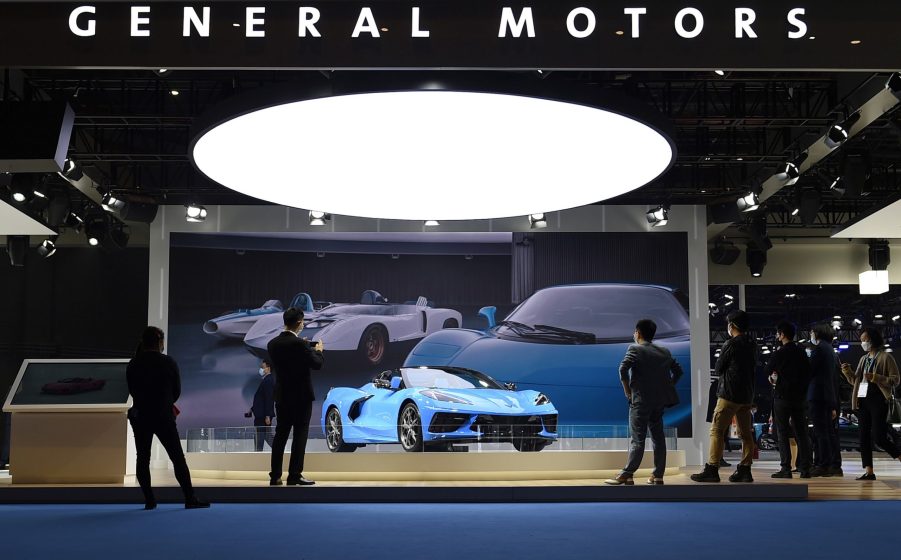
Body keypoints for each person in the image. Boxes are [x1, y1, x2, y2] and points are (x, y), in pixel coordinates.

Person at [126, 326, 209, 509]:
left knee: (143, 458)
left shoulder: (133, 363)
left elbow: (132, 390)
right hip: (163, 415)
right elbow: (176, 391)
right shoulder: (168, 362)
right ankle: (189, 498)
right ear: (160, 342)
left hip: (141, 416)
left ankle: (149, 500)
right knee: (177, 458)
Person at [605, 319, 684, 486]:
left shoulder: (635, 348)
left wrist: (627, 391)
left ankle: (627, 473)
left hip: (640, 401)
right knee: (658, 437)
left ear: (638, 333)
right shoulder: (664, 351)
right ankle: (658, 475)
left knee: (638, 438)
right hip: (658, 402)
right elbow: (678, 371)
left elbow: (622, 369)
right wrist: (667, 387)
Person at [691, 309, 757, 483]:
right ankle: (745, 469)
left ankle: (712, 469)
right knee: (746, 434)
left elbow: (719, 368)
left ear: (732, 325)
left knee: (716, 430)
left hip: (729, 394)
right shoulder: (752, 344)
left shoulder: (731, 344)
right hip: (746, 396)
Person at [267, 307, 324, 486]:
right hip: (301, 397)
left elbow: (289, 355)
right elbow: (316, 364)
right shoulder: (299, 345)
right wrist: (319, 351)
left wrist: (303, 345)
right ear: (299, 323)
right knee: (300, 436)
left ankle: (275, 476)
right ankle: (294, 475)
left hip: (282, 396)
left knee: (280, 435)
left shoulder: (272, 344)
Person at [840, 327, 901, 480]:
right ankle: (869, 471)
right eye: (861, 340)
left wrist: (876, 377)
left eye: (864, 340)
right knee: (863, 436)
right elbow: (856, 381)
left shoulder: (886, 357)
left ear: (872, 340)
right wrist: (847, 372)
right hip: (862, 400)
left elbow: (895, 380)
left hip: (879, 400)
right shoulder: (863, 359)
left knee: (879, 437)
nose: (862, 343)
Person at [766, 321, 812, 478]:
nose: (778, 336)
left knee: (782, 432)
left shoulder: (780, 352)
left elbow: (767, 369)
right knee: (802, 432)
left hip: (782, 396)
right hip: (799, 398)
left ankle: (786, 468)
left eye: (778, 333)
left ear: (782, 334)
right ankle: (805, 468)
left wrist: (776, 377)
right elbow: (808, 373)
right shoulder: (801, 352)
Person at [807, 323, 842, 477]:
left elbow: (810, 372)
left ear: (817, 333)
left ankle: (823, 465)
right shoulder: (832, 352)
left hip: (818, 396)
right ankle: (834, 465)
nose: (810, 335)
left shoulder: (819, 350)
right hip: (829, 396)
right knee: (829, 432)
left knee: (820, 432)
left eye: (812, 332)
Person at [248, 360, 276, 452]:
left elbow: (269, 399)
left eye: (262, 367)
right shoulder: (266, 380)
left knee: (261, 437)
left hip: (263, 416)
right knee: (265, 436)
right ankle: (278, 450)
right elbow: (261, 399)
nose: (261, 369)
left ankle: (258, 455)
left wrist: (268, 415)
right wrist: (252, 409)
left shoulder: (268, 381)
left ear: (268, 368)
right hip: (262, 415)